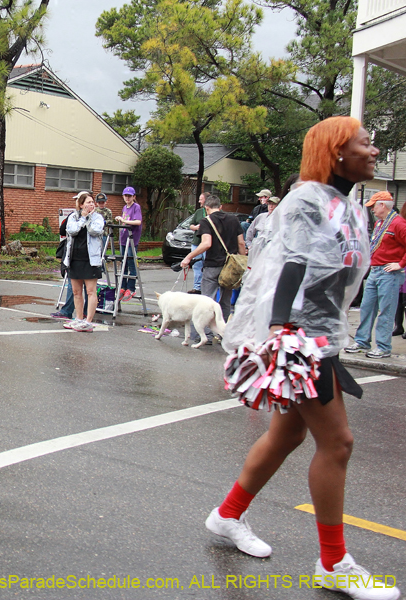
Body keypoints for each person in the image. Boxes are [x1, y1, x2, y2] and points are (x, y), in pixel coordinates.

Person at [213, 116, 400, 600]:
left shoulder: (350, 207)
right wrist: (280, 331)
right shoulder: (306, 200)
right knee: (337, 442)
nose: (375, 151)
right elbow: (291, 264)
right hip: (300, 338)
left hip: (323, 337)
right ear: (337, 151)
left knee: (288, 433)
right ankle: (334, 562)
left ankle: (227, 514)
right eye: (366, 143)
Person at [344, 191, 406, 359]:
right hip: (376, 270)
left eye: (373, 206)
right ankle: (362, 341)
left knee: (386, 310)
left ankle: (383, 346)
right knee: (366, 306)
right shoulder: (381, 223)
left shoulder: (398, 223)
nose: (372, 210)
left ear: (382, 205)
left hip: (389, 272)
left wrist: (400, 264)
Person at [181, 194, 245, 330]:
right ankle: (223, 332)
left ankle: (206, 335)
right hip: (230, 267)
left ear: (206, 208)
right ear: (220, 207)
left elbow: (206, 244)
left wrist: (189, 257)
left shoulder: (206, 221)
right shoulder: (234, 220)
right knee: (225, 301)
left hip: (213, 265)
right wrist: (243, 261)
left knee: (207, 301)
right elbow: (241, 243)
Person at [62, 192, 105, 332]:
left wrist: (89, 219)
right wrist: (83, 218)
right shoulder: (73, 217)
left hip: (90, 259)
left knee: (91, 291)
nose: (91, 205)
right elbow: (71, 230)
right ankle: (79, 318)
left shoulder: (98, 217)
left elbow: (95, 231)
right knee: (76, 291)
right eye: (88, 202)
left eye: (92, 202)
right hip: (75, 258)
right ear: (81, 205)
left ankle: (88, 321)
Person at [115, 186, 142, 302]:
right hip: (123, 238)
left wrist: (125, 221)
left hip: (132, 239)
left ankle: (131, 287)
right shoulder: (124, 207)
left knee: (131, 262)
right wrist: (120, 219)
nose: (127, 198)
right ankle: (123, 286)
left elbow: (138, 221)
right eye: (125, 196)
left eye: (129, 196)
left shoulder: (136, 207)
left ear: (134, 197)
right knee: (123, 263)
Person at [187, 193, 207, 294]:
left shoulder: (212, 212)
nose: (199, 201)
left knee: (207, 265)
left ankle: (206, 287)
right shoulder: (199, 212)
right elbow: (191, 225)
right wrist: (195, 227)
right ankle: (197, 287)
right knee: (196, 265)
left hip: (207, 243)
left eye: (201, 199)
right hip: (197, 242)